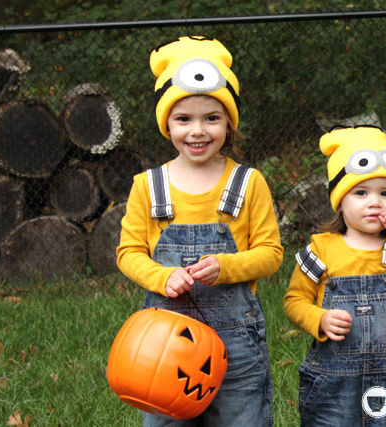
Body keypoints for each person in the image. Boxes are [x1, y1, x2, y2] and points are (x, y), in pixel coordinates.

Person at [117, 35, 283, 426]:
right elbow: (128, 253)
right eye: (183, 119)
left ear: (229, 122)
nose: (198, 131)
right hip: (164, 343)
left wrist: (226, 267)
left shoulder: (247, 182)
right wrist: (163, 275)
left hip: (236, 344)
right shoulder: (148, 185)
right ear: (166, 124)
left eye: (212, 118)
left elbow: (271, 253)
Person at [283, 125, 386, 425]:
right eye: (361, 193)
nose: (375, 202)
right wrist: (318, 319)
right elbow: (294, 300)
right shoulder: (322, 248)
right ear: (339, 199)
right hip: (333, 384)